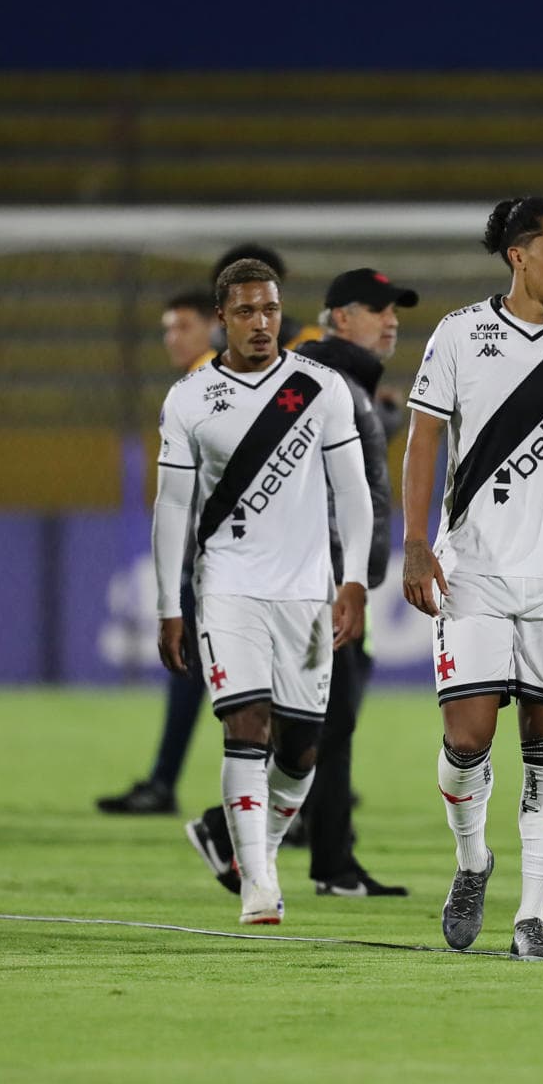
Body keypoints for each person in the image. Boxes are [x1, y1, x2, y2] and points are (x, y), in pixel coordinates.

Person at [403, 196, 543, 961]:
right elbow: (424, 439)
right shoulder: (460, 335)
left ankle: (533, 916)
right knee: (466, 738)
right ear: (518, 255)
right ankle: (473, 860)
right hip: (475, 569)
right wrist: (413, 540)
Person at [151, 258, 373, 925]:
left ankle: (256, 852)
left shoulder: (319, 388)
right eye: (245, 312)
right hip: (228, 587)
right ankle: (260, 886)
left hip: (306, 592)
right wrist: (170, 605)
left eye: (270, 310)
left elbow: (354, 493)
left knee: (302, 749)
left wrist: (355, 579)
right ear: (223, 318)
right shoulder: (189, 399)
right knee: (246, 725)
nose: (260, 323)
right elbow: (171, 508)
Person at [184, 267, 413, 898]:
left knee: (322, 727)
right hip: (307, 583)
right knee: (314, 725)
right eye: (376, 308)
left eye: (394, 308)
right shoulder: (321, 381)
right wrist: (349, 579)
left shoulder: (352, 387)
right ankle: (280, 853)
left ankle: (295, 853)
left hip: (326, 583)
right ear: (339, 318)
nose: (391, 318)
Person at [95, 287, 220, 816]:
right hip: (208, 557)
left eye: (182, 326)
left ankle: (297, 798)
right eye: (167, 328)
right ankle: (164, 781)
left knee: (249, 686)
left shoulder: (213, 385)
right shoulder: (195, 386)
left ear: (213, 327)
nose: (172, 337)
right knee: (192, 674)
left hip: (228, 560)